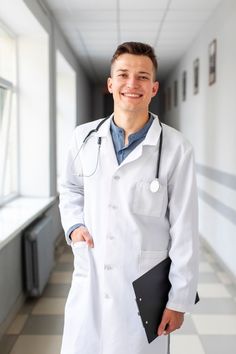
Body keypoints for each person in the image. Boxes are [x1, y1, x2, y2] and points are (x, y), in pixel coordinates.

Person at [59, 41, 199, 354]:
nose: (131, 84)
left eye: (142, 77)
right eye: (123, 75)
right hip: (91, 280)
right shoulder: (82, 138)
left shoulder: (176, 148)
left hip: (142, 291)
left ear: (154, 88)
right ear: (110, 84)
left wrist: (178, 300)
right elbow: (70, 188)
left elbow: (184, 229)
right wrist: (74, 226)